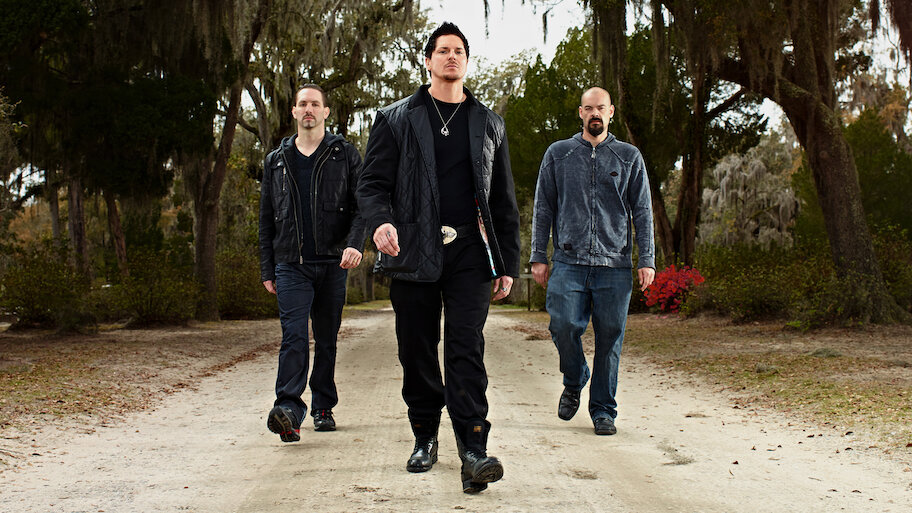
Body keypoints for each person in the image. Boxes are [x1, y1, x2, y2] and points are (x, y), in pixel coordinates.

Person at [356, 22, 520, 494]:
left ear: (466, 61)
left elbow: (503, 200)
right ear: (427, 60)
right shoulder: (395, 119)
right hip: (413, 248)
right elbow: (371, 185)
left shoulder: (489, 123)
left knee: (466, 346)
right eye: (443, 50)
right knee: (417, 347)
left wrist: (505, 263)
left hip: (470, 251)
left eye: (459, 51)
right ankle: (425, 434)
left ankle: (473, 448)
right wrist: (380, 222)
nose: (452, 57)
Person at [530, 87, 656, 436]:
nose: (595, 113)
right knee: (562, 326)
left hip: (615, 265)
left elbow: (643, 212)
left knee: (610, 340)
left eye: (601, 108)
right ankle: (574, 377)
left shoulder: (628, 156)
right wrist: (538, 255)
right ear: (581, 113)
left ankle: (603, 411)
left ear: (611, 112)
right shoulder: (559, 154)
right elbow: (543, 207)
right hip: (568, 262)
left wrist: (647, 258)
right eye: (589, 108)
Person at [259, 84, 365, 442]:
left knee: (326, 339)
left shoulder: (344, 154)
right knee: (293, 336)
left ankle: (323, 406)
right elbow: (266, 219)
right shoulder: (276, 160)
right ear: (293, 111)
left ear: (325, 112)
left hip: (334, 263)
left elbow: (362, 207)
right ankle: (288, 410)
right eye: (302, 104)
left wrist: (354, 245)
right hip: (291, 264)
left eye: (315, 104)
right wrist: (267, 268)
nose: (308, 109)